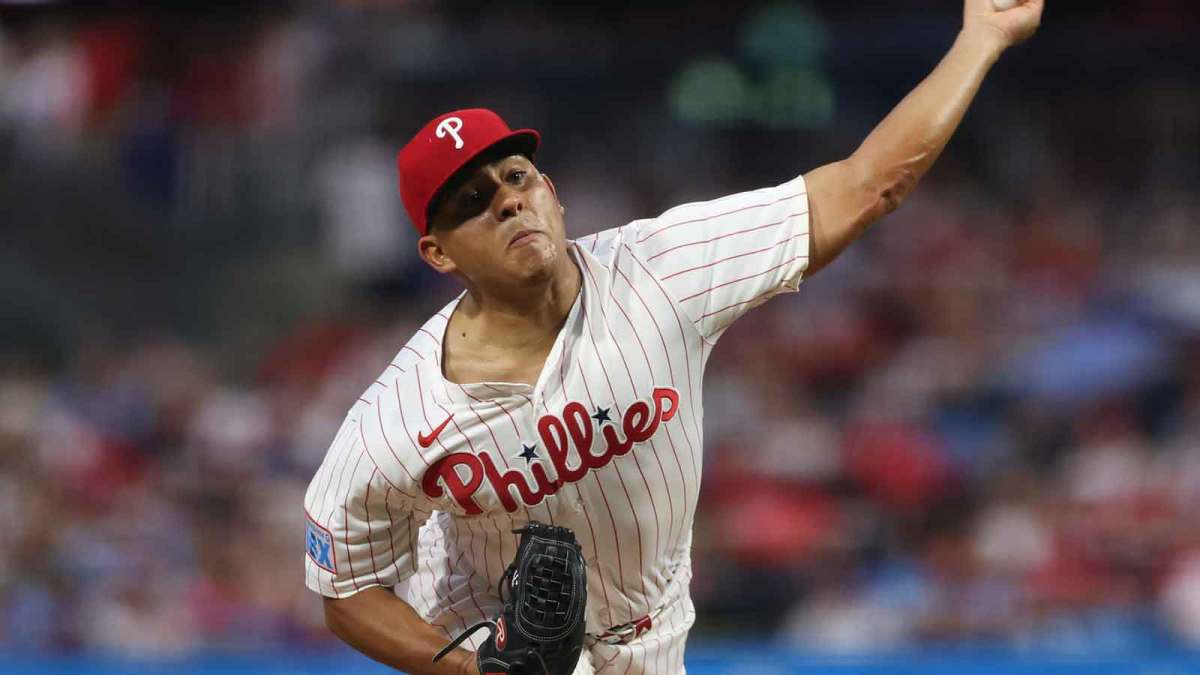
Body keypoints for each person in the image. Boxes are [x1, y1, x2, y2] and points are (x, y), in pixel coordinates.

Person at [302, 1, 1044, 673]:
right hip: (493, 642)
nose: (507, 202)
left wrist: (980, 40)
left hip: (653, 641)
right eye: (472, 200)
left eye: (516, 177)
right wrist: (467, 670)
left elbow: (866, 185)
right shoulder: (399, 418)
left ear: (551, 191)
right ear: (437, 253)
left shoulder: (661, 270)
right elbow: (346, 591)